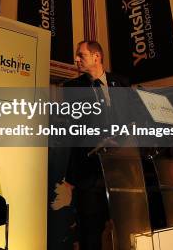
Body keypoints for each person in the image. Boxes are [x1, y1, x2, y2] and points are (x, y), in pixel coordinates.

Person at [52, 40, 129, 250]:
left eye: (81, 55)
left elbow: (131, 119)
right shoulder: (71, 88)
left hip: (122, 172)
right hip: (89, 175)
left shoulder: (121, 83)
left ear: (97, 57)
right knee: (90, 233)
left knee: (124, 229)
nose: (76, 59)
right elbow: (74, 130)